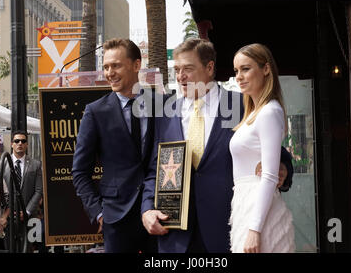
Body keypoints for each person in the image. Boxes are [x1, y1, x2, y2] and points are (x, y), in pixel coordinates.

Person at [141, 38, 293, 253]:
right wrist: (147, 209)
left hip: (228, 228)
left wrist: (284, 168)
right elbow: (153, 170)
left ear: (209, 67)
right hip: (175, 234)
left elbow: (276, 151)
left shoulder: (243, 104)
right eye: (177, 69)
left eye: (188, 69)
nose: (180, 76)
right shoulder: (164, 112)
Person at [72, 38, 155, 253]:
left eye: (116, 65)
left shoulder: (162, 105)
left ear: (137, 65)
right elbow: (80, 171)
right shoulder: (96, 111)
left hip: (159, 214)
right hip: (116, 218)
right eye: (106, 67)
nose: (109, 73)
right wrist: (99, 213)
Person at [230, 43, 295, 253]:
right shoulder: (252, 114)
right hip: (245, 205)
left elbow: (269, 175)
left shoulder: (269, 112)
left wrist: (254, 229)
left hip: (258, 210)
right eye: (236, 71)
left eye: (246, 69)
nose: (239, 76)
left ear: (266, 69)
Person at [0, 130, 43, 252]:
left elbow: (39, 190)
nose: (20, 143)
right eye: (17, 141)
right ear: (12, 144)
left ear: (27, 144)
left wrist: (27, 211)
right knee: (9, 248)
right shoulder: (1, 165)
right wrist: (7, 211)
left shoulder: (36, 164)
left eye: (23, 141)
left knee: (30, 248)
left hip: (30, 216)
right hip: (7, 217)